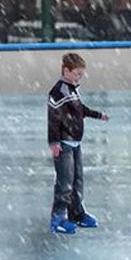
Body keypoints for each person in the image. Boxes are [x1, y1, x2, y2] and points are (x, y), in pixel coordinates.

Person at [47, 52, 111, 234]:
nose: (79, 78)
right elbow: (53, 118)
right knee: (64, 182)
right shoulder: (58, 92)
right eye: (76, 74)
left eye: (81, 75)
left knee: (77, 181)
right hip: (64, 143)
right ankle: (58, 217)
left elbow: (80, 110)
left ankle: (76, 213)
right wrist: (54, 141)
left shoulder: (73, 90)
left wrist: (98, 115)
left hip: (75, 143)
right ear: (66, 71)